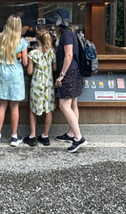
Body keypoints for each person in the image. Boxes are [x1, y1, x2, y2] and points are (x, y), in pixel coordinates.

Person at [51, 9, 87, 152]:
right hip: (75, 72)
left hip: (69, 73)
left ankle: (78, 138)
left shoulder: (66, 34)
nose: (53, 24)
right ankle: (71, 133)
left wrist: (61, 75)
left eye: (54, 20)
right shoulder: (71, 33)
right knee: (73, 104)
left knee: (64, 105)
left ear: (59, 21)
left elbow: (69, 56)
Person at [0, 14, 29, 147]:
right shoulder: (22, 42)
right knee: (14, 106)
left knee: (2, 106)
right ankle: (14, 137)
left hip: (2, 73)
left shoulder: (0, 38)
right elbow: (25, 62)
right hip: (16, 75)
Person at [23, 28, 56, 147]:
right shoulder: (52, 52)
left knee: (33, 109)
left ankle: (32, 136)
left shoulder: (33, 53)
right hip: (48, 83)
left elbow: (30, 71)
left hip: (37, 84)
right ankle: (45, 136)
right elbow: (55, 68)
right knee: (48, 109)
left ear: (36, 38)